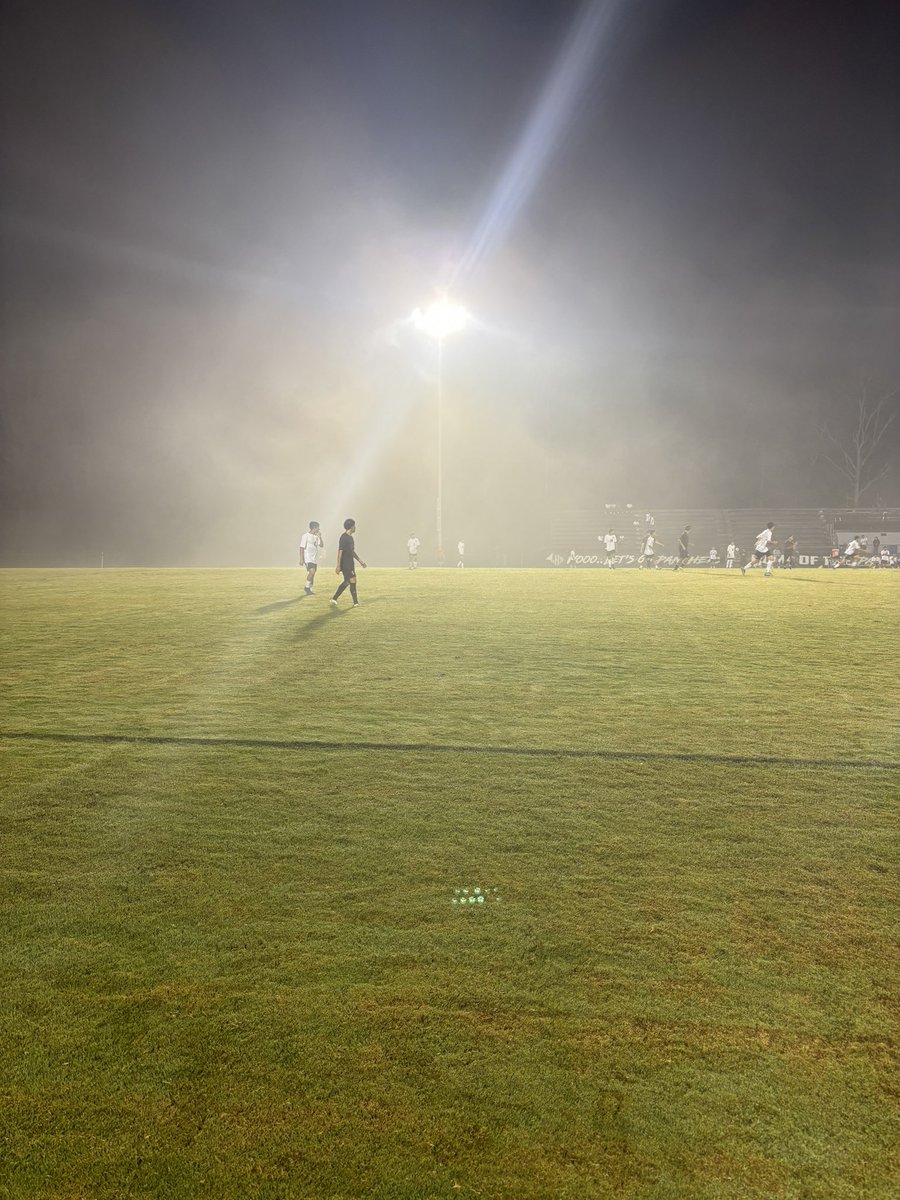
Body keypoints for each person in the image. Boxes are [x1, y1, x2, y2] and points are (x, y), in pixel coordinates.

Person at [331, 518, 366, 606]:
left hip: (350, 563)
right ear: (351, 527)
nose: (355, 527)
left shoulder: (350, 538)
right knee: (352, 580)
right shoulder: (344, 537)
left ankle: (334, 598)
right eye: (354, 526)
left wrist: (360, 561)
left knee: (347, 581)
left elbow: (352, 551)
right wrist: (338, 566)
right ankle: (355, 602)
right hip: (345, 563)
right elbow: (340, 552)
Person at [299, 521, 324, 594]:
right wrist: (301, 559)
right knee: (312, 571)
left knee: (313, 573)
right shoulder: (305, 536)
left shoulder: (316, 537)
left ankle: (310, 589)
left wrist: (320, 537)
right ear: (314, 528)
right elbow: (301, 547)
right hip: (308, 558)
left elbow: (321, 545)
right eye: (318, 528)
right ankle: (306, 588)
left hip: (314, 558)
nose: (319, 529)